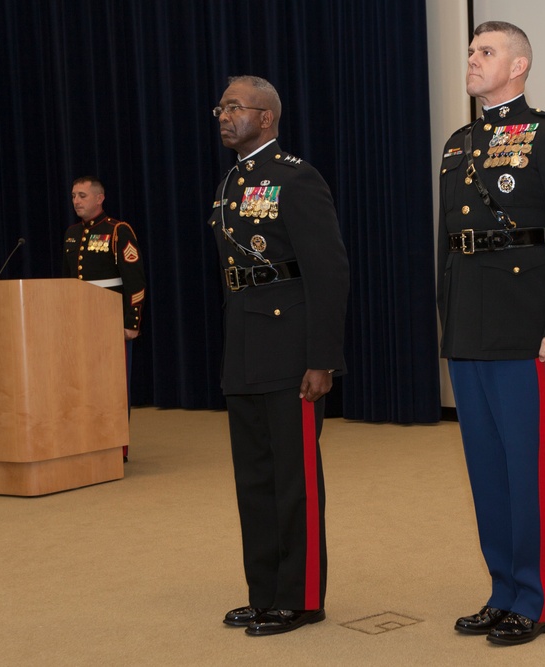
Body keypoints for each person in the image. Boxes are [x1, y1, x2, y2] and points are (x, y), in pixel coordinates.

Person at [436, 22, 545, 646]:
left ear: (519, 66)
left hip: (523, 323)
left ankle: (533, 601)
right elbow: (447, 245)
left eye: (487, 52)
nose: (473, 61)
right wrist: (446, 320)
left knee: (524, 466)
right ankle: (501, 589)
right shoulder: (458, 144)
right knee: (485, 466)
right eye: (472, 51)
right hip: (470, 323)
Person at [207, 75, 349, 636]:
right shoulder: (229, 183)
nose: (223, 115)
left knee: (294, 479)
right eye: (220, 107)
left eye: (234, 107)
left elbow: (328, 272)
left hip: (291, 349)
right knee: (255, 479)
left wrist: (322, 359)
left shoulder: (296, 177)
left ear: (266, 117)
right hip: (244, 345)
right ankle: (264, 592)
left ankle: (302, 596)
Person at [63, 176, 147, 461]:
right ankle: (85, 441)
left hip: (110, 320)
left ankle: (116, 448)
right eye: (74, 195)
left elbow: (134, 279)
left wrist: (131, 322)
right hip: (78, 319)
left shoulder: (117, 230)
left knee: (113, 385)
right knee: (81, 383)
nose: (76, 201)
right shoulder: (72, 233)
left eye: (82, 195)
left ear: (100, 198)